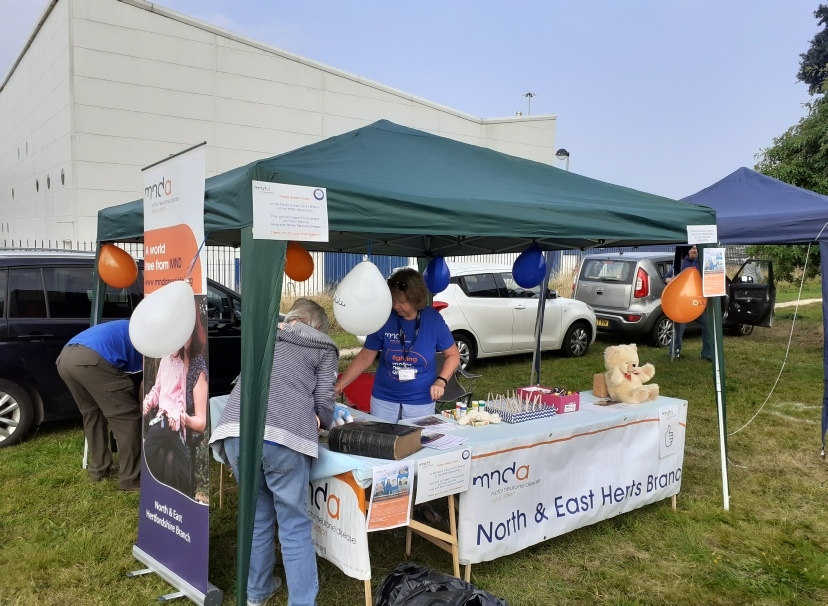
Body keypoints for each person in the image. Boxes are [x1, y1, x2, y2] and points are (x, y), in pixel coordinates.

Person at [210, 300, 337, 606]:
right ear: (317, 326)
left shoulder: (263, 335)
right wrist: (324, 422)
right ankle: (302, 602)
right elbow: (324, 400)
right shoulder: (323, 345)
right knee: (293, 525)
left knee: (256, 518)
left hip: (236, 432)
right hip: (284, 436)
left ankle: (256, 593)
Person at [334, 268, 461, 422]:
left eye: (402, 302)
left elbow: (453, 355)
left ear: (416, 299)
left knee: (417, 443)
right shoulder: (385, 317)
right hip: (384, 400)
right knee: (383, 441)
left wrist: (441, 381)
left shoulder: (433, 320)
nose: (395, 306)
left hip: (420, 401)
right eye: (393, 300)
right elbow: (364, 358)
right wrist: (340, 384)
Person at [56, 320, 143, 491]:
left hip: (64, 358)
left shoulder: (130, 325)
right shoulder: (149, 338)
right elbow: (145, 382)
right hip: (91, 360)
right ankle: (131, 480)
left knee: (92, 414)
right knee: (127, 418)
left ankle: (98, 469)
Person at [667, 245, 712, 361]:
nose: (694, 250)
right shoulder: (680, 264)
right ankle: (674, 352)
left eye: (697, 248)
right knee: (678, 330)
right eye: (692, 248)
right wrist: (671, 280)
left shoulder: (702, 264)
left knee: (707, 326)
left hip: (697, 304)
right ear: (687, 250)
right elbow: (666, 278)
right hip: (682, 304)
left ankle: (707, 354)